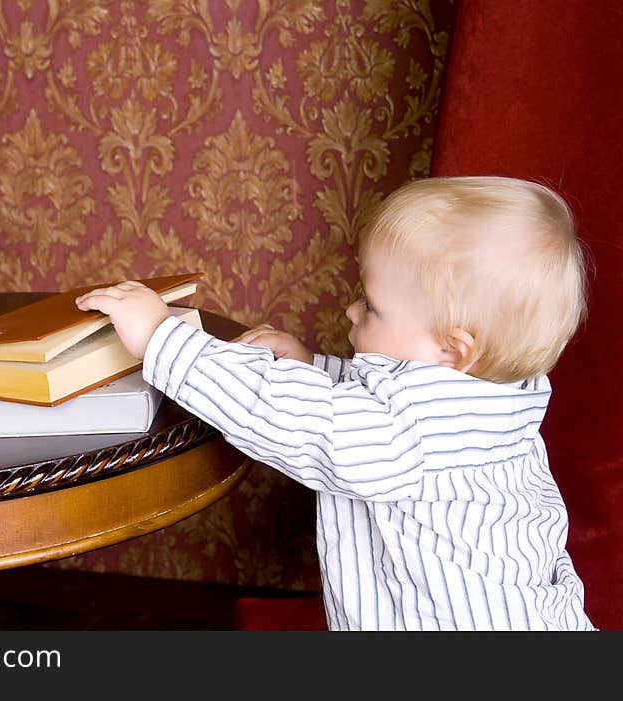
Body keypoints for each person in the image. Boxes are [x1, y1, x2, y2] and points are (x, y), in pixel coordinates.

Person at [75, 175, 594, 631]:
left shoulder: (408, 437)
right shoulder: (490, 400)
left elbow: (297, 422)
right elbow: (384, 402)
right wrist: (310, 366)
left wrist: (163, 338)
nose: (350, 309)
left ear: (453, 348)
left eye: (372, 305)